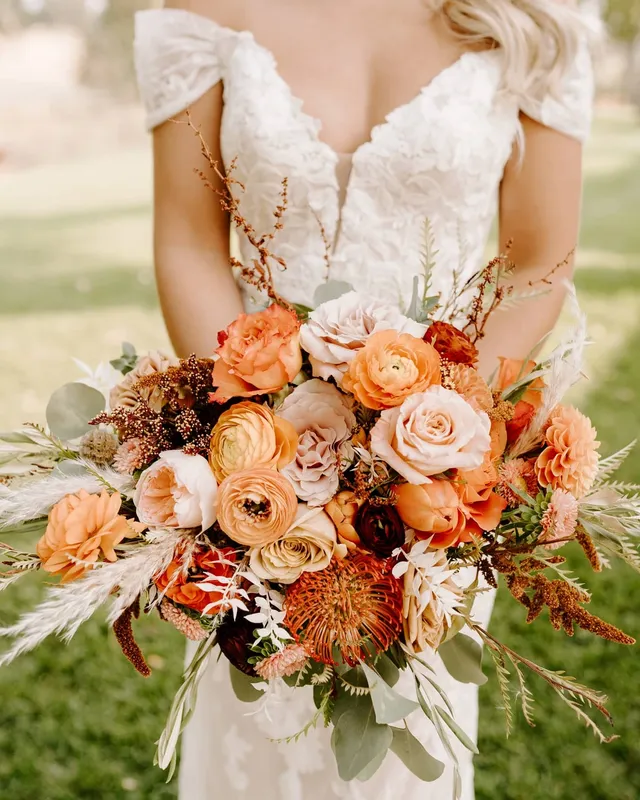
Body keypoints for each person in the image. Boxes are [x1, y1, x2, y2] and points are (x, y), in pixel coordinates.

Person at [134, 0, 593, 797]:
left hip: (433, 479)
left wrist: (436, 439)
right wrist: (256, 445)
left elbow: (539, 260)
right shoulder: (201, 11)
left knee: (403, 741)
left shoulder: (535, 16)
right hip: (254, 478)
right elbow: (188, 241)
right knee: (252, 719)